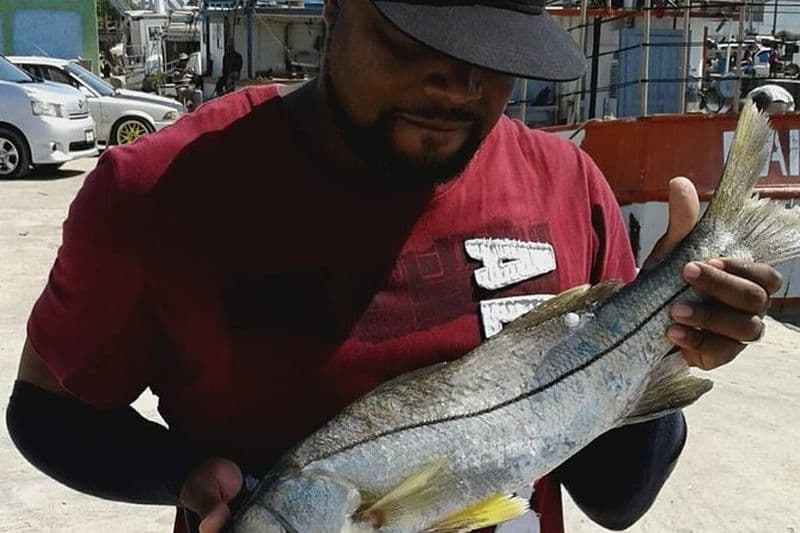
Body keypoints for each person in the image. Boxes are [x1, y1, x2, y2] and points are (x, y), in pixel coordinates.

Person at [6, 1, 782, 532]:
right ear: (337, 8)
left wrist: (667, 339)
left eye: (490, 56)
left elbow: (616, 497)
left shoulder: (566, 183)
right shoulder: (158, 192)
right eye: (414, 39)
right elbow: (45, 411)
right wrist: (178, 469)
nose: (456, 82)